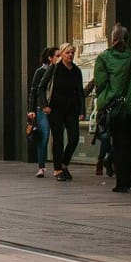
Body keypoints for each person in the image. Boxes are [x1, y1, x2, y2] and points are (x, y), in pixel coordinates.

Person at [89, 27, 131, 193]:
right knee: (130, 142)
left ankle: (122, 182)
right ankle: (129, 178)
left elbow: (101, 82)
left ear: (111, 39)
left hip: (114, 107)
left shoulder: (104, 58)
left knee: (118, 143)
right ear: (128, 40)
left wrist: (106, 97)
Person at [45, 43, 85, 181]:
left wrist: (82, 110)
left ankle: (64, 163)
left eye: (72, 52)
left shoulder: (76, 71)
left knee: (74, 138)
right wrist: (45, 105)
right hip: (55, 109)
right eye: (67, 52)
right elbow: (41, 87)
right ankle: (57, 170)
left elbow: (80, 91)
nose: (70, 55)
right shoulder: (54, 69)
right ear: (61, 54)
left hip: (72, 110)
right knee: (58, 139)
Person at [26, 46, 57, 177]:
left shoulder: (61, 71)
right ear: (50, 58)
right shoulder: (40, 72)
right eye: (57, 55)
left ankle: (59, 167)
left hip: (56, 109)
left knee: (58, 138)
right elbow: (34, 91)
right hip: (41, 109)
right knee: (43, 138)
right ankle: (41, 167)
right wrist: (31, 110)